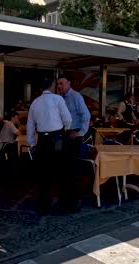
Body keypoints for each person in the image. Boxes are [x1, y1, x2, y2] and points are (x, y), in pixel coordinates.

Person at [27, 79, 72, 215]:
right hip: (57, 138)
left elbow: (30, 125)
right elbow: (67, 119)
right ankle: (65, 203)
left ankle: (43, 206)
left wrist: (32, 143)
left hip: (42, 140)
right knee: (62, 170)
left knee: (43, 173)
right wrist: (66, 131)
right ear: (52, 86)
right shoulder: (57, 99)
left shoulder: (35, 102)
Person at [57, 77, 91, 212]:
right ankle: (65, 199)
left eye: (62, 83)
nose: (59, 86)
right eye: (58, 84)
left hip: (73, 135)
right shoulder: (60, 98)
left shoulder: (76, 96)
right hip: (63, 135)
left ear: (68, 84)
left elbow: (86, 115)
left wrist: (81, 133)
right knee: (64, 168)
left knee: (73, 169)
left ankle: (75, 200)